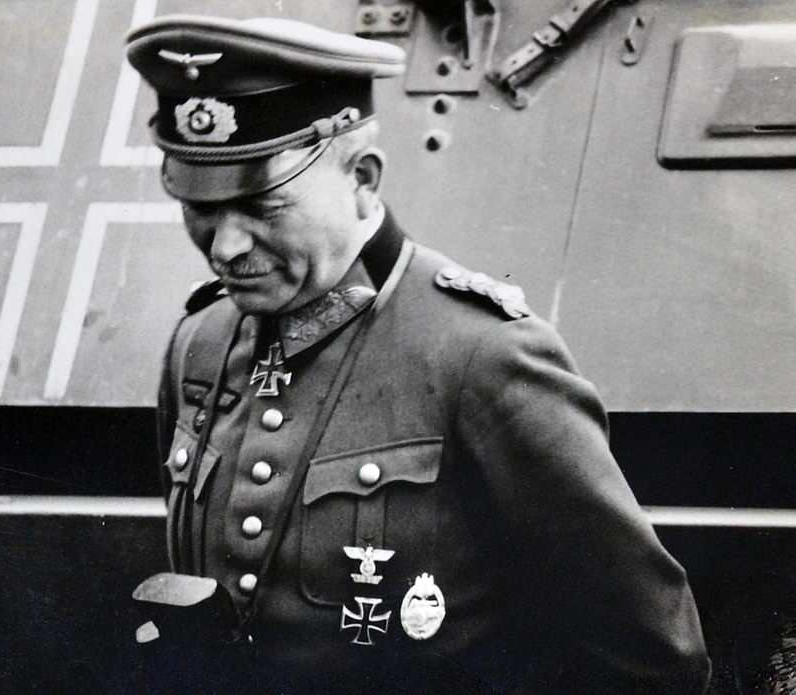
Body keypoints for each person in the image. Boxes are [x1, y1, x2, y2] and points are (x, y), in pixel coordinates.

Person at [126, 14, 711, 694]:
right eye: (199, 207)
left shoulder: (484, 355)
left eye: (263, 204)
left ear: (362, 177)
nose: (225, 247)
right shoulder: (199, 343)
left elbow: (653, 657)